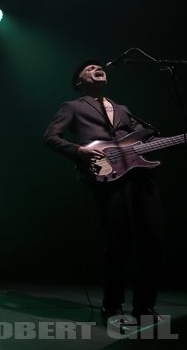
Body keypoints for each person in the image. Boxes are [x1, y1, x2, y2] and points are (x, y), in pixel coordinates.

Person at [43, 59, 164, 325]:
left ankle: (145, 307)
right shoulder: (72, 106)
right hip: (106, 175)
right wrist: (79, 151)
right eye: (89, 68)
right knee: (120, 239)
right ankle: (112, 306)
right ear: (79, 82)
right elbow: (50, 137)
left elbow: (144, 139)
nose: (97, 68)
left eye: (100, 67)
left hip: (140, 175)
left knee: (153, 239)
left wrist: (166, 142)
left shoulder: (123, 109)